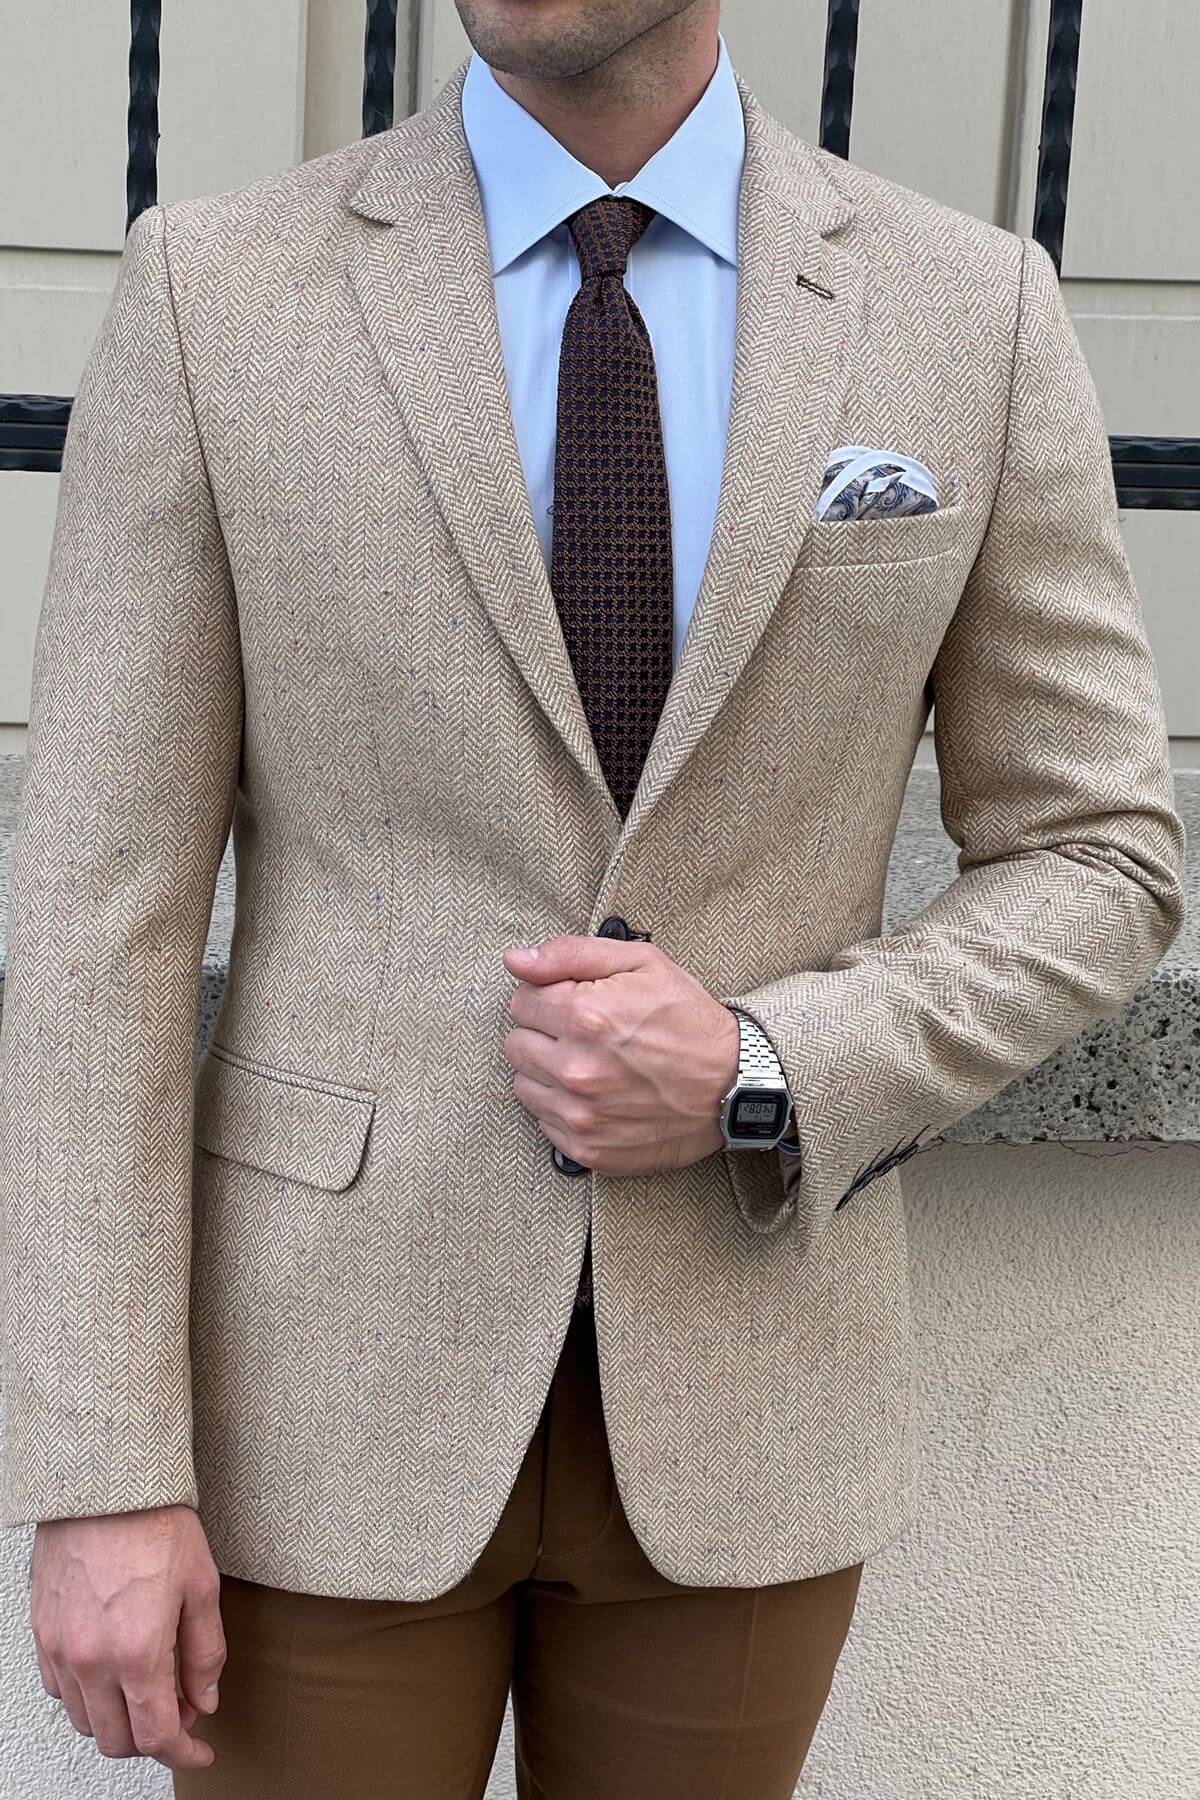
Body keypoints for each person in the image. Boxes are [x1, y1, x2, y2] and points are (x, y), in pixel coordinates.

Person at [0, 1, 1185, 1795]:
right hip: (312, 1409)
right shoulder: (215, 293)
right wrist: (98, 1464)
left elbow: (1101, 854)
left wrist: (767, 1064)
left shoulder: (972, 310)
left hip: (747, 1392)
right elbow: (96, 919)